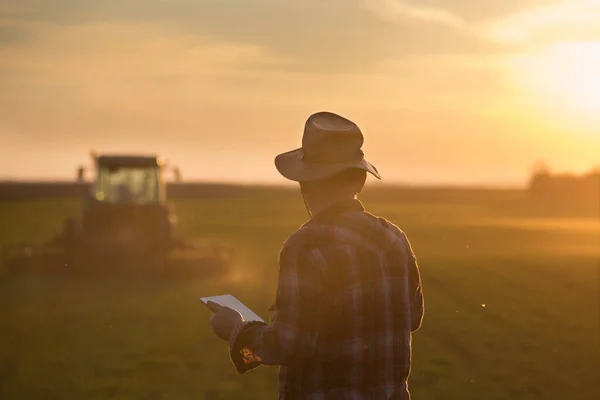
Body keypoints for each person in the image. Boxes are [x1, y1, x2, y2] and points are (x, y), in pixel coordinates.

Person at [208, 111, 424, 399]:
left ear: (304, 183)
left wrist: (237, 330)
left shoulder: (307, 245)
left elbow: (289, 344)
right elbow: (412, 318)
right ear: (360, 180)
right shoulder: (393, 237)